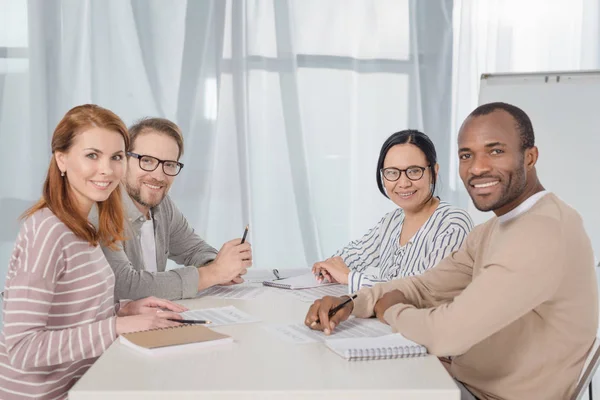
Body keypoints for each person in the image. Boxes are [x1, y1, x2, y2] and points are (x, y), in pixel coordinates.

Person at [304, 102, 598, 400]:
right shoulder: (493, 230)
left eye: (495, 151)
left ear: (530, 157)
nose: (478, 167)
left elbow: (445, 334)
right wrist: (352, 302)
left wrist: (391, 310)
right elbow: (425, 286)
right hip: (461, 379)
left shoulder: (542, 232)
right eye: (466, 155)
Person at [0, 105, 186, 400]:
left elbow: (69, 314)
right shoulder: (47, 231)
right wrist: (118, 325)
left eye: (116, 157)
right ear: (61, 159)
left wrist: (123, 309)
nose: (107, 170)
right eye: (92, 155)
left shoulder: (85, 225)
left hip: (85, 384)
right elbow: (22, 348)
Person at [93, 118, 251, 301]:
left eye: (169, 164)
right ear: (123, 160)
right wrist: (213, 273)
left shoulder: (162, 205)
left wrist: (222, 266)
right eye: (147, 161)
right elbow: (123, 285)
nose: (158, 176)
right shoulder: (102, 207)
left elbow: (193, 249)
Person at [312, 130, 473, 294]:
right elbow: (356, 255)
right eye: (392, 173)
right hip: (384, 318)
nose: (403, 183)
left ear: (434, 172)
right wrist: (328, 266)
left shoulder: (452, 223)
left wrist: (350, 278)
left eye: (414, 171)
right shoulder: (392, 221)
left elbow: (423, 291)